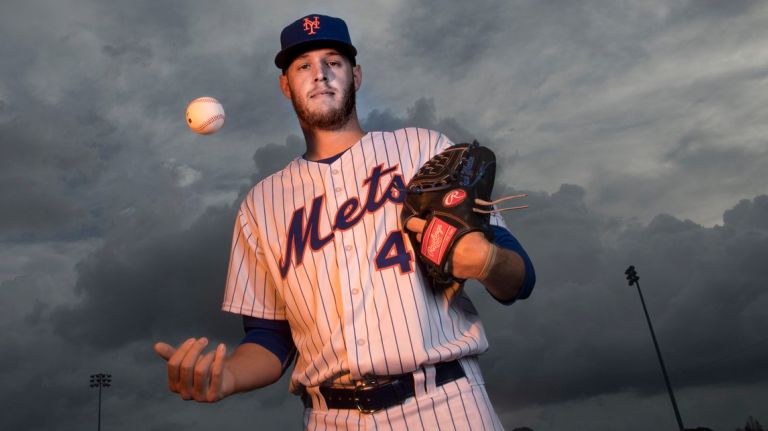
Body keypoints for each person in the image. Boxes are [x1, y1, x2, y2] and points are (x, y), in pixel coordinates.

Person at [154, 13, 535, 430]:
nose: (319, 74)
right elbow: (270, 339)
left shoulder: (424, 150)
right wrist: (227, 376)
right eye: (302, 66)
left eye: (333, 61)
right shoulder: (261, 204)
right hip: (330, 418)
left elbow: (520, 278)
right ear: (286, 85)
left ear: (356, 74)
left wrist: (487, 263)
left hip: (447, 404)